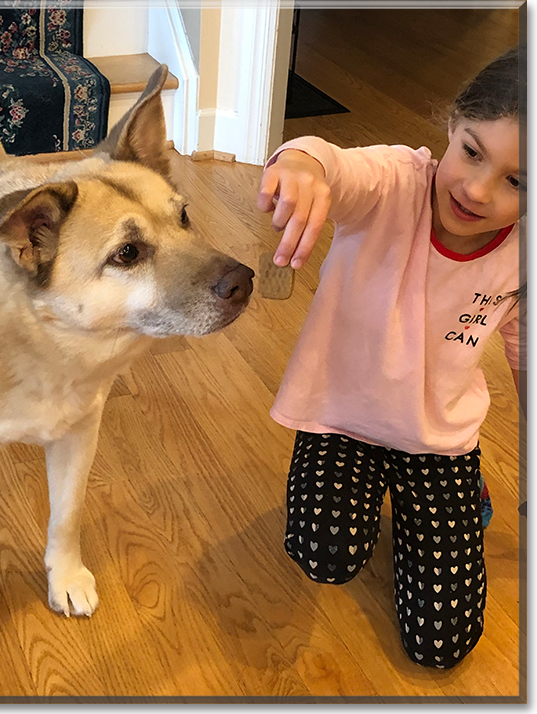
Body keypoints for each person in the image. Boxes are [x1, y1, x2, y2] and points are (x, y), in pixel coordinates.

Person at [256, 47, 525, 668]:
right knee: (322, 557)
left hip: (437, 439)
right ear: (452, 125)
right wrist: (299, 163)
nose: (477, 190)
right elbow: (333, 163)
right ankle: (378, 490)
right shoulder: (395, 182)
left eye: (518, 181)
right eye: (472, 151)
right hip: (343, 419)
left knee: (441, 646)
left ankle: (456, 493)